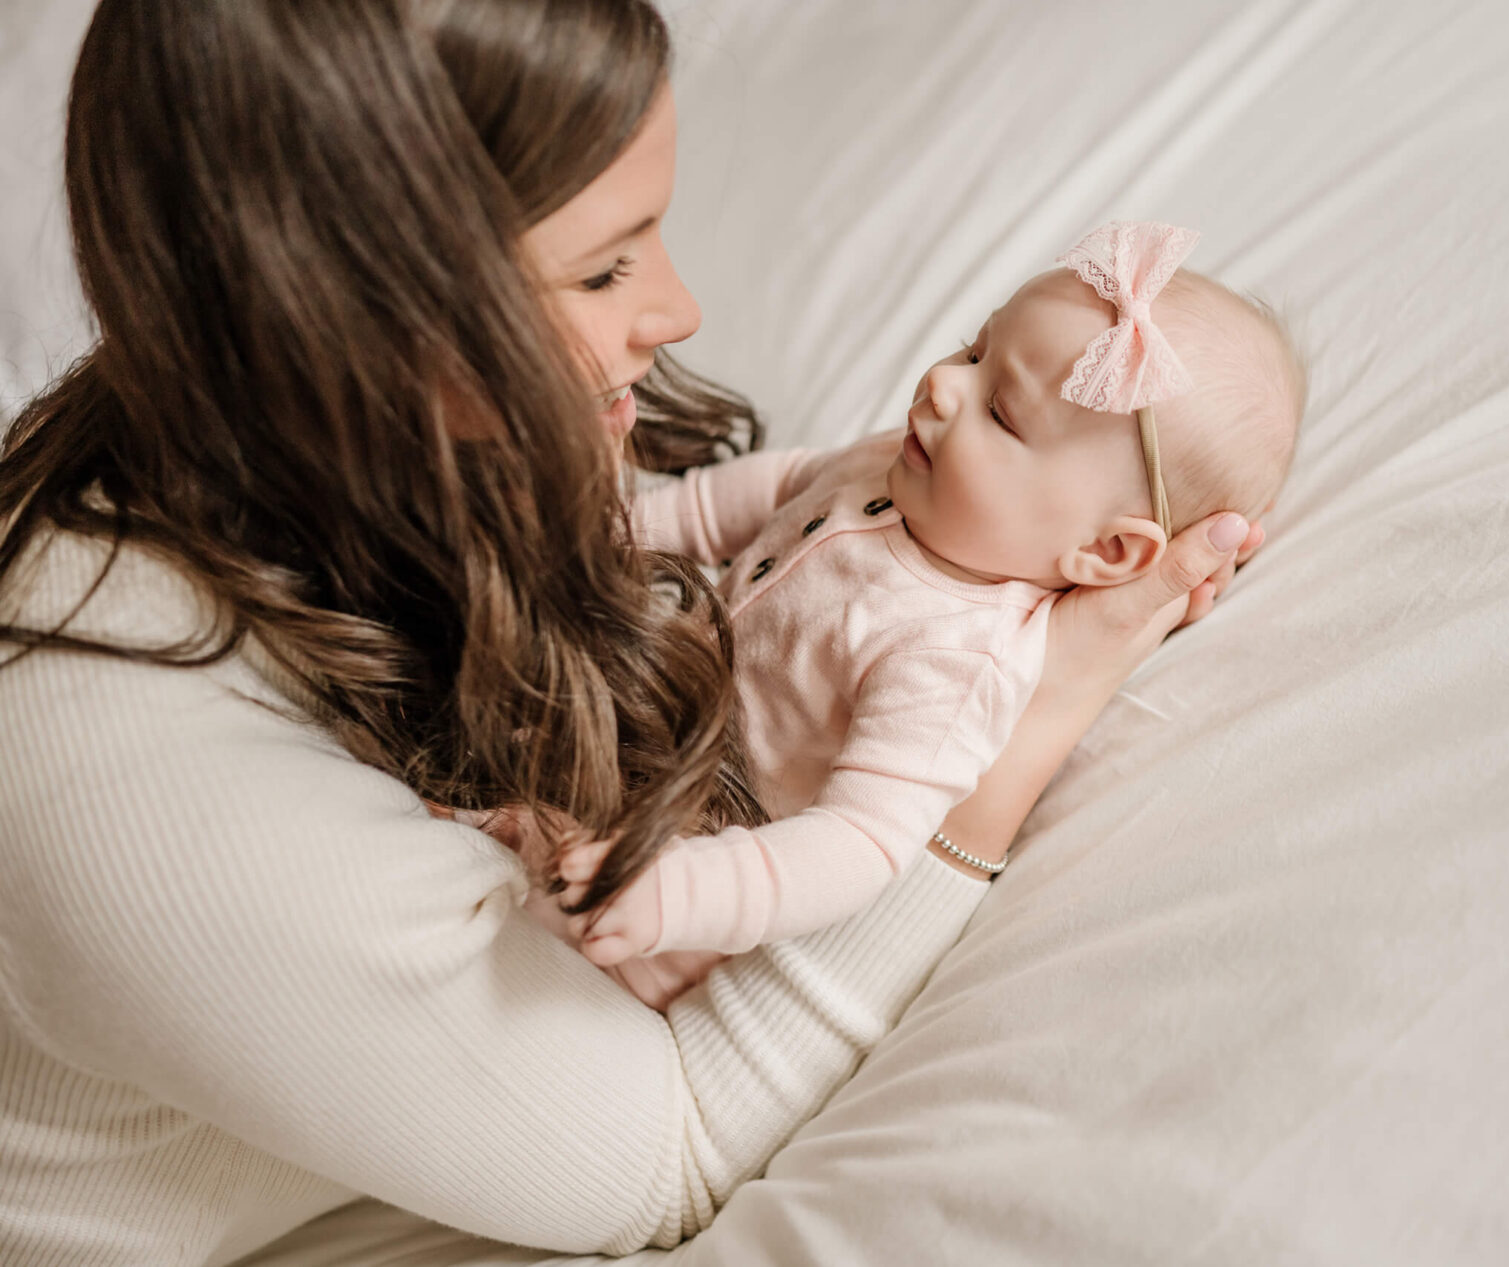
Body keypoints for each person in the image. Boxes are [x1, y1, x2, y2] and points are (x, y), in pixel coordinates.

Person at [0, 1, 1259, 1263]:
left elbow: (702, 521)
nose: (679, 311)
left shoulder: (370, 449)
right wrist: (1023, 734)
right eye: (605, 268)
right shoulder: (146, 784)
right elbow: (667, 1152)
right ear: (342, 308)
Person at [562, 221, 1303, 1008]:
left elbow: (856, 845)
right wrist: (613, 535)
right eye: (973, 350)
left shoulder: (957, 656)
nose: (946, 386)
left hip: (665, 888)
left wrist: (678, 891)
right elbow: (755, 495)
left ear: (1108, 552)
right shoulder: (900, 464)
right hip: (616, 730)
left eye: (1004, 413)